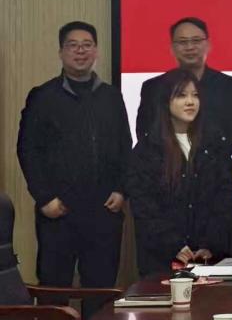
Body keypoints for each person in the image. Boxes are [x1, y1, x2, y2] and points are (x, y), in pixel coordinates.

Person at [17, 21, 131, 316]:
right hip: (59, 211)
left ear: (96, 51)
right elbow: (28, 151)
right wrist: (44, 198)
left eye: (87, 45)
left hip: (104, 210)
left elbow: (125, 146)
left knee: (101, 290)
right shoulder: (42, 96)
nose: (80, 51)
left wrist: (121, 189)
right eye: (73, 45)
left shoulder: (111, 96)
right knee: (54, 291)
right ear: (61, 52)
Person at [127, 70, 232, 275]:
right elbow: (145, 207)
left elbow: (224, 197)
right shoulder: (147, 149)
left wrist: (210, 244)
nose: (190, 102)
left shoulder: (214, 143)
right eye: (181, 95)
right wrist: (174, 244)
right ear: (165, 101)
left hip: (209, 258)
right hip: (162, 259)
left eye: (195, 95)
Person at [136, 17, 232, 152]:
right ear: (172, 48)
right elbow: (144, 132)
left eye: (196, 41)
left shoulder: (228, 86)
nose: (190, 47)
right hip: (165, 162)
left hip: (216, 161)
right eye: (182, 42)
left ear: (208, 45)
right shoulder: (153, 87)